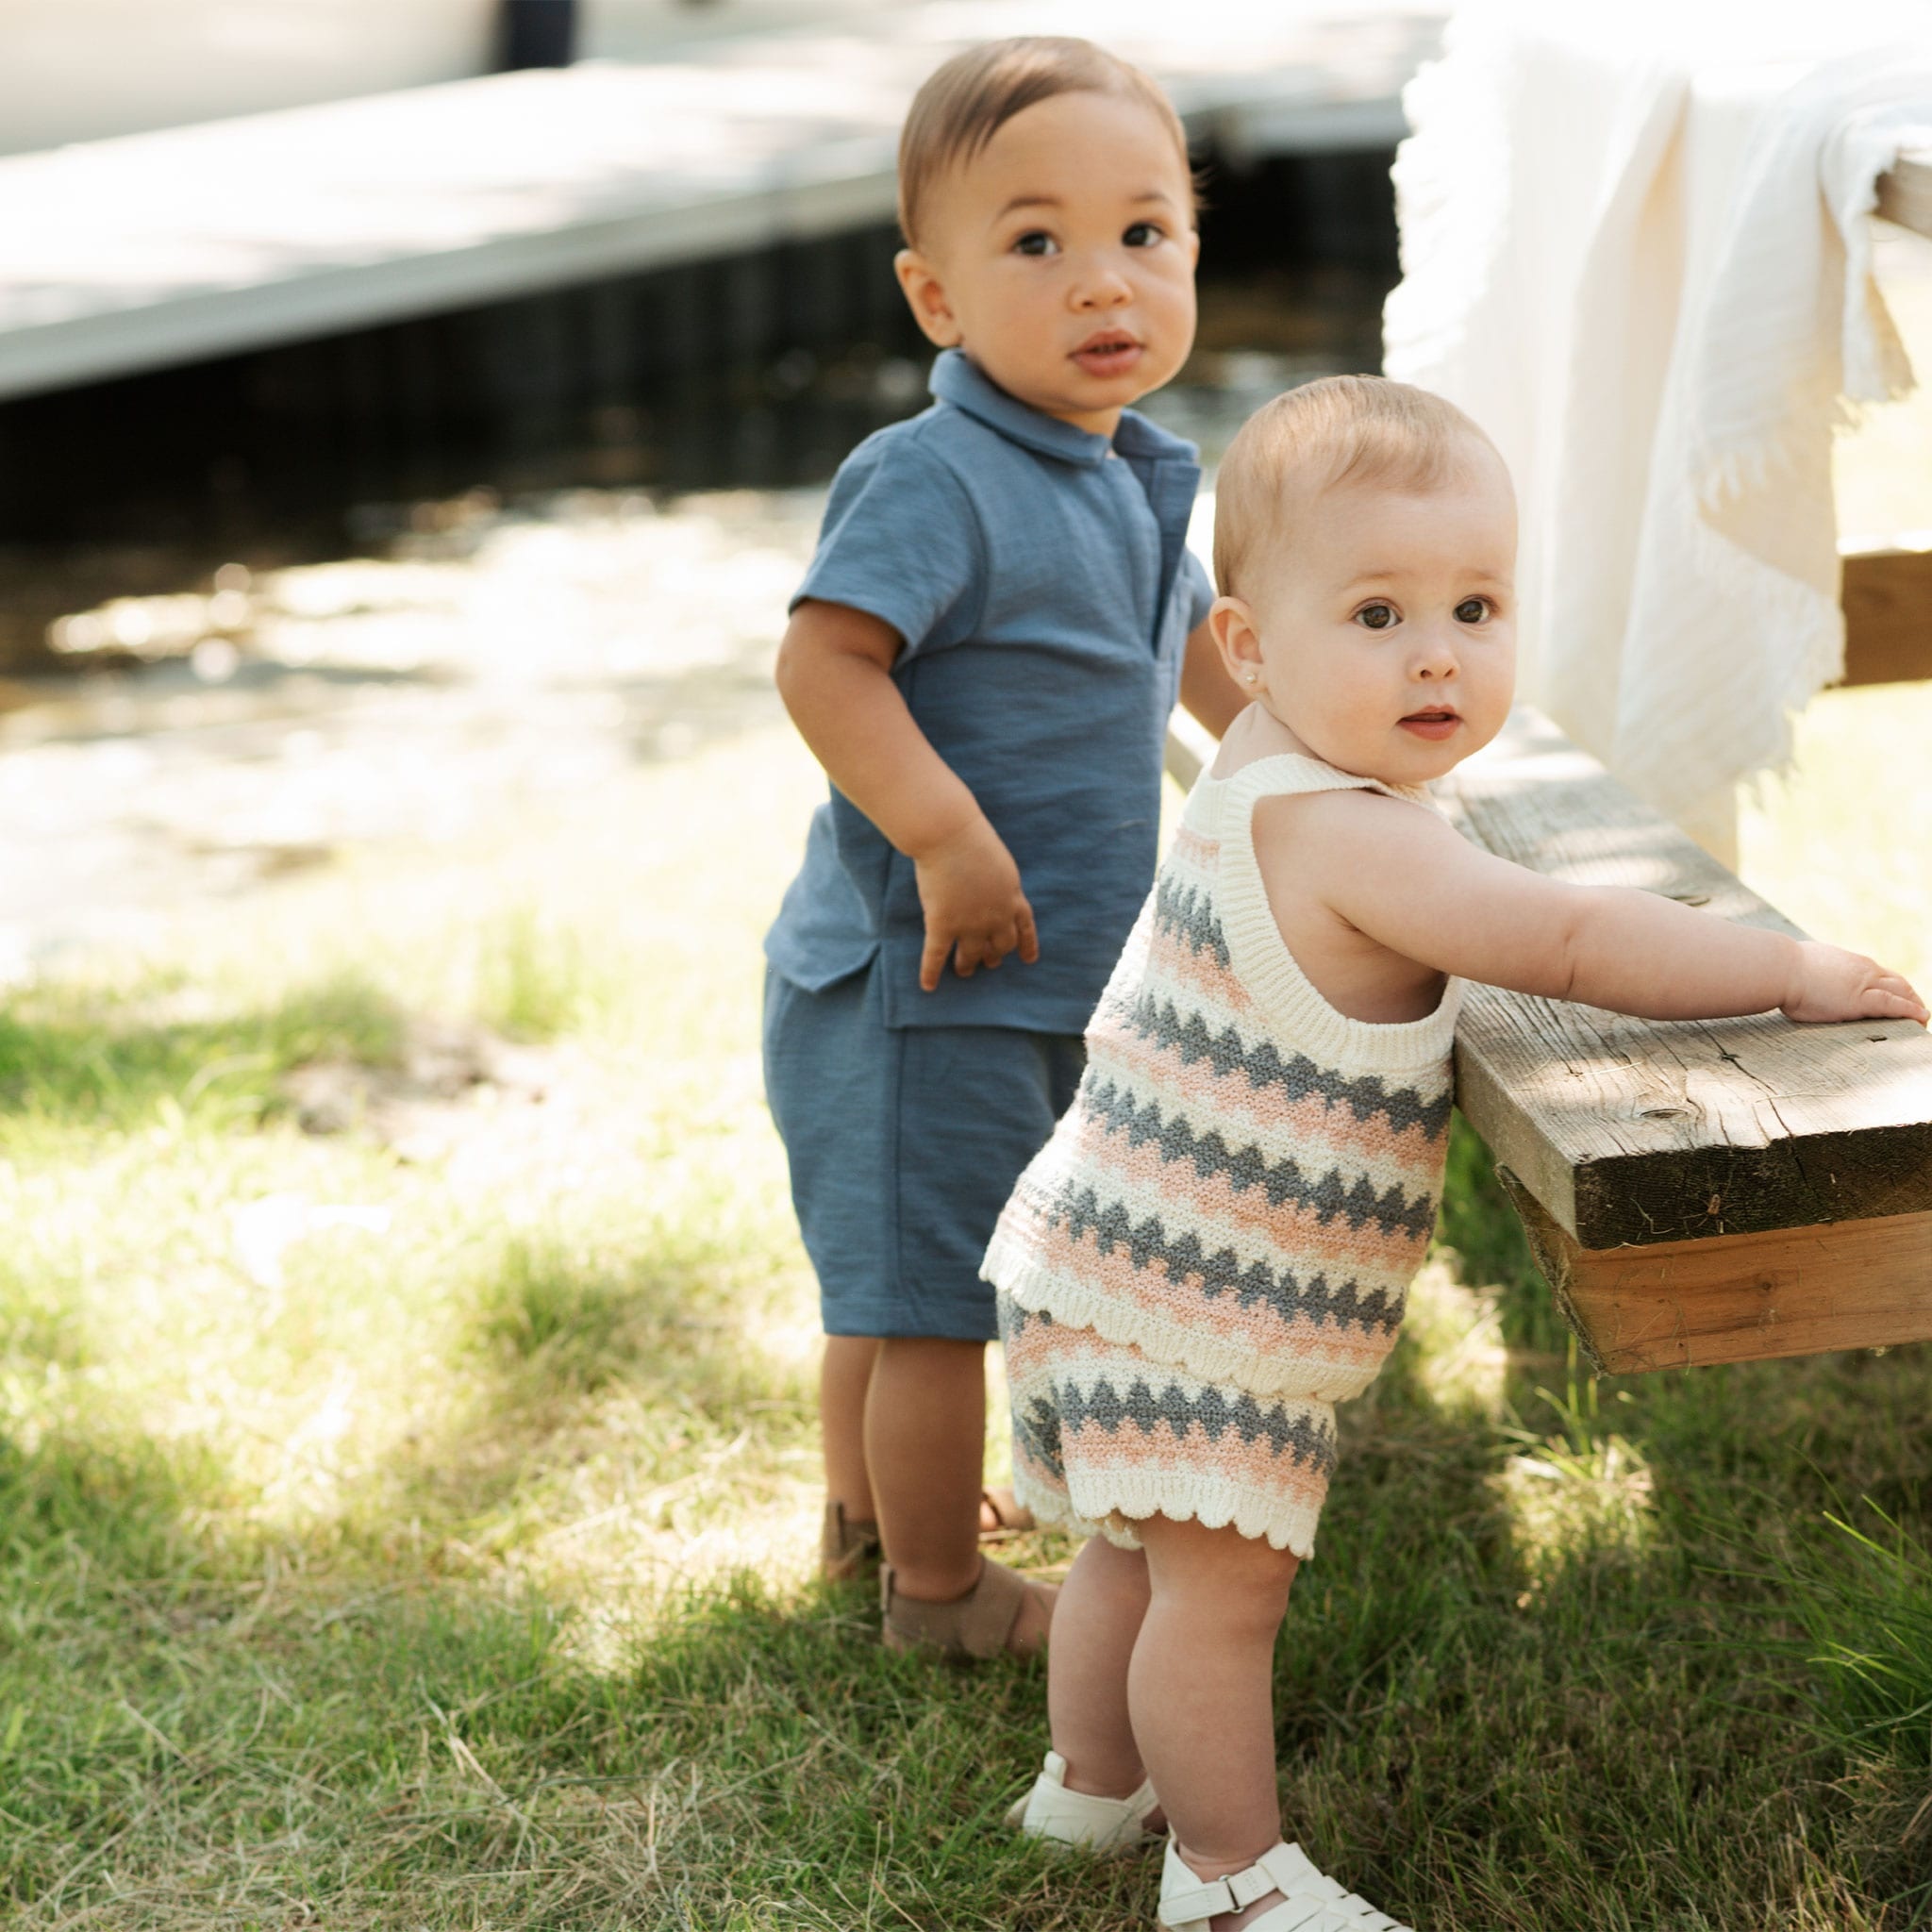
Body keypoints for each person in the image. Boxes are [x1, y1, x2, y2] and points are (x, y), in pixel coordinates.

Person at [985, 375, 1927, 1931]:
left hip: (1105, 1251)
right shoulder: (1360, 839)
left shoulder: (1265, 771)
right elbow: (1566, 933)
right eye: (1377, 615)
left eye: (1476, 606)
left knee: (1136, 1550)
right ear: (1253, 652)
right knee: (1222, 1591)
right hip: (1207, 1306)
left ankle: (1087, 1789)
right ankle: (1226, 1880)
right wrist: (1785, 968)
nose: (1437, 652)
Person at [762, 36, 1245, 1659]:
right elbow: (825, 665)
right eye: (1035, 243)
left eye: (1144, 234)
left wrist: (1312, 754)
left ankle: (863, 1514)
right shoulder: (936, 478)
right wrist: (949, 839)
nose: (1100, 280)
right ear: (937, 300)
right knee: (931, 1304)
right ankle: (939, 1596)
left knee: (908, 1274)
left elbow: (1194, 664)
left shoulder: (1126, 474)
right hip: (922, 970)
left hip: (1042, 970)